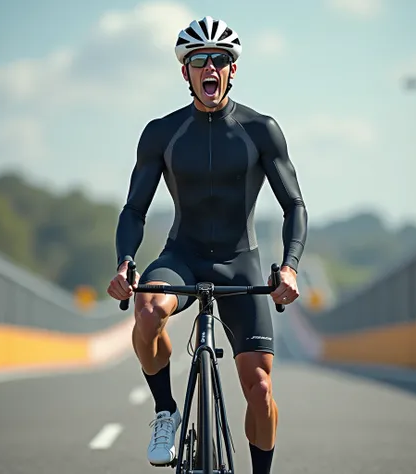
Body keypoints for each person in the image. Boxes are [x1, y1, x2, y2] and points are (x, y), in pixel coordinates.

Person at [107, 15, 308, 474]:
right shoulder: (162, 132)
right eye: (200, 60)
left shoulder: (261, 130)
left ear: (232, 70)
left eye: (220, 59)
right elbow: (134, 209)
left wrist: (290, 267)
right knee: (149, 310)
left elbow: (294, 205)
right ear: (186, 72)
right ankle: (165, 412)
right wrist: (125, 264)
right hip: (183, 257)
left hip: (242, 263)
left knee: (259, 390)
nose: (210, 67)